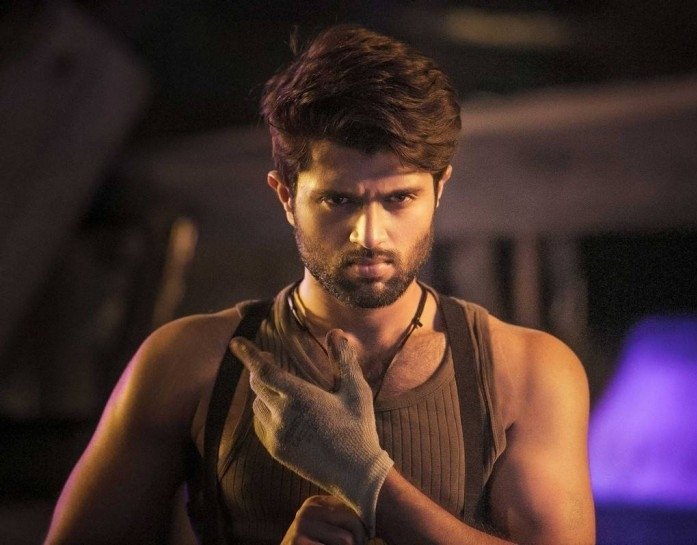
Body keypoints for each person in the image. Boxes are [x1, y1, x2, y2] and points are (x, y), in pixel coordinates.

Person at [45, 25, 595, 545]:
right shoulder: (187, 364)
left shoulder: (527, 371)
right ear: (286, 195)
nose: (369, 235)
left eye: (399, 198)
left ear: (439, 189)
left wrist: (368, 481)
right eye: (338, 199)